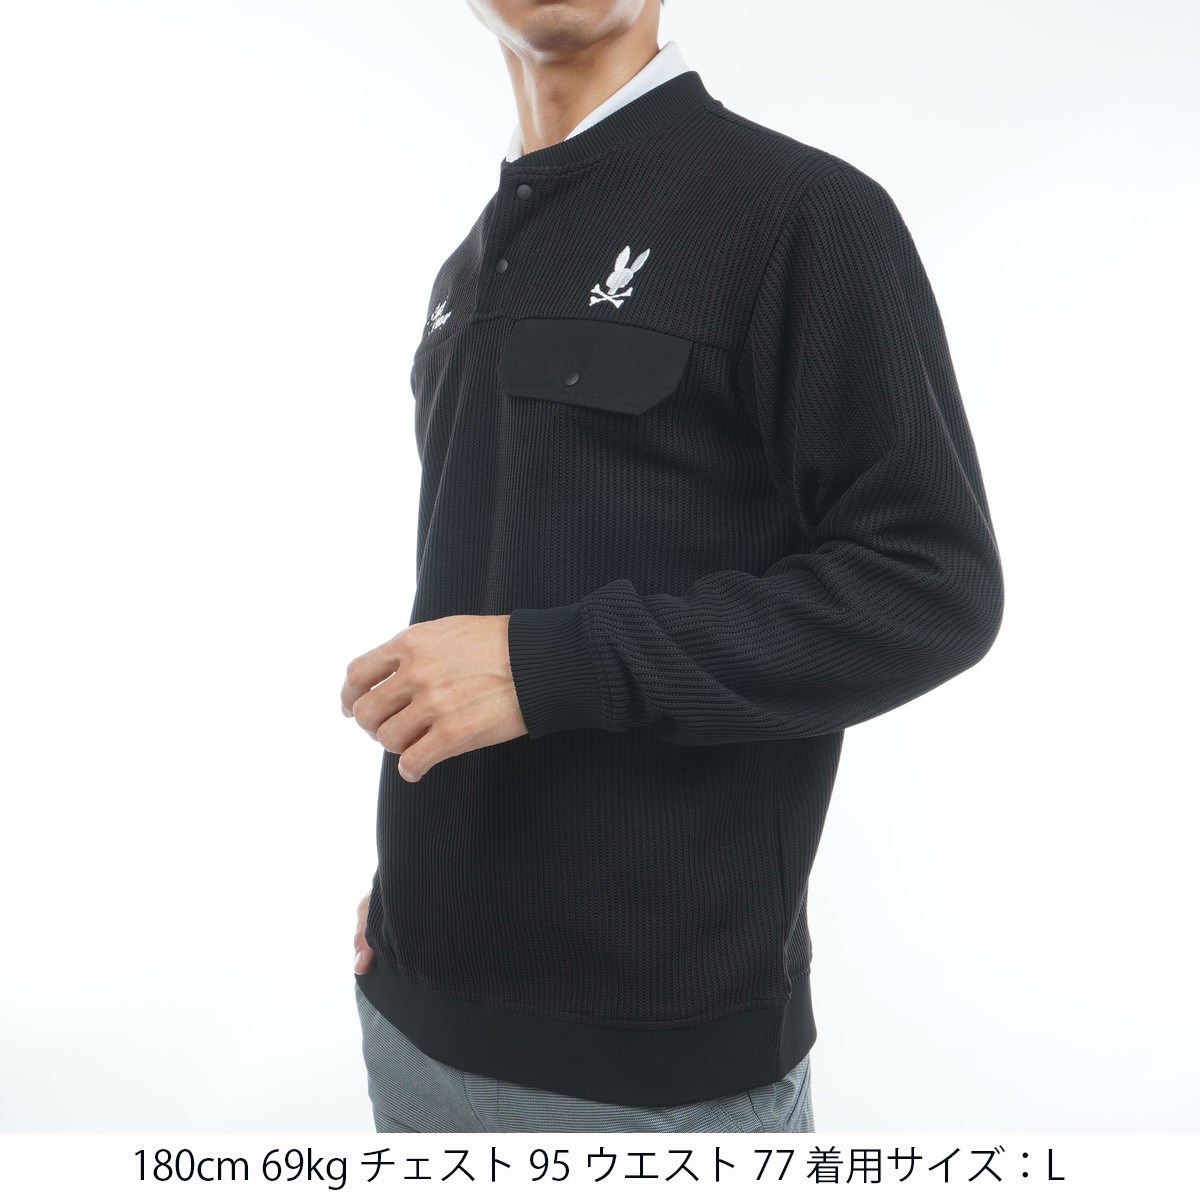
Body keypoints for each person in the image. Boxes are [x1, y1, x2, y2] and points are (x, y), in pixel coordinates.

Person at [341, 0, 1004, 1134]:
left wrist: (549, 665)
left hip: (654, 1067)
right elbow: (475, 586)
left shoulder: (802, 214)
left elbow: (931, 585)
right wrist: (412, 890)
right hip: (411, 1016)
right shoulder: (468, 266)